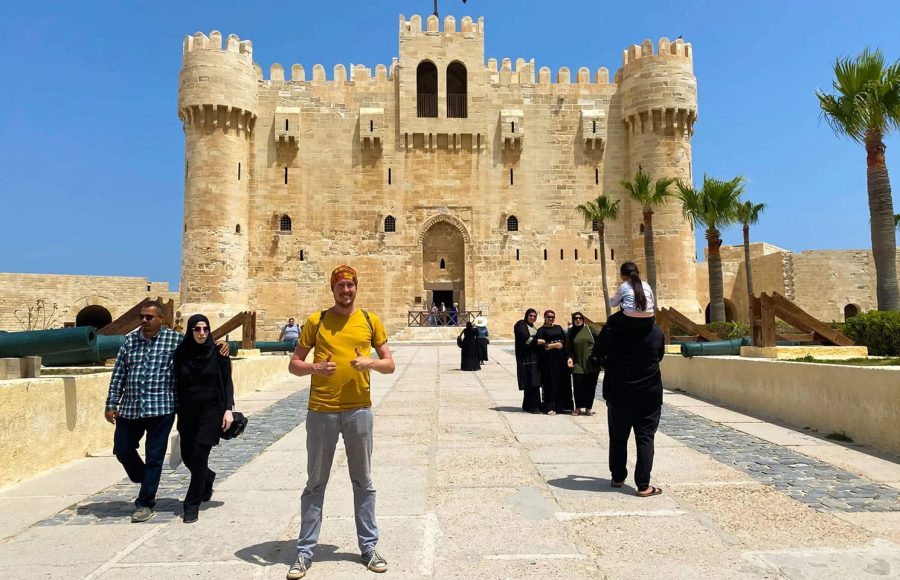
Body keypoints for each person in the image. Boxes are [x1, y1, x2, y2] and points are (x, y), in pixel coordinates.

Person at [287, 265, 395, 579]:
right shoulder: (316, 321)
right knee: (315, 482)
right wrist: (315, 369)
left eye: (350, 285)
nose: (346, 291)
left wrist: (370, 363)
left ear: (356, 287)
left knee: (363, 481)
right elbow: (295, 364)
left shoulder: (369, 321)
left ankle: (369, 547)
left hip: (359, 410)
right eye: (340, 286)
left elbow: (389, 364)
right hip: (321, 410)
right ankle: (305, 552)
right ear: (332, 289)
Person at [105, 301, 227, 523]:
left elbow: (197, 344)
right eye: (142, 317)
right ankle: (145, 478)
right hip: (131, 408)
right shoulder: (129, 341)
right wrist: (111, 403)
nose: (144, 321)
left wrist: (218, 344)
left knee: (155, 457)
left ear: (161, 319)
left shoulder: (174, 340)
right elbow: (119, 373)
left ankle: (145, 502)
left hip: (161, 408)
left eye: (149, 317)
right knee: (122, 449)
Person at [593, 297, 666, 497]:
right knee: (645, 438)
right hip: (649, 394)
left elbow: (597, 353)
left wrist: (611, 364)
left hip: (618, 393)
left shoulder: (611, 331)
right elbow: (659, 355)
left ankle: (617, 477)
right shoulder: (656, 332)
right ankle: (643, 485)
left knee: (618, 437)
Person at [173, 314, 235, 523]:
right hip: (187, 412)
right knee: (188, 457)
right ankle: (207, 478)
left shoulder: (219, 352)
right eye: (197, 329)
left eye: (205, 329)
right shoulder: (181, 353)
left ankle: (191, 504)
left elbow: (227, 383)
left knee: (199, 456)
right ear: (190, 331)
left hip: (212, 411)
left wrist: (228, 409)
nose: (201, 333)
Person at [535, 310, 573, 415]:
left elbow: (565, 343)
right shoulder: (541, 330)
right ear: (545, 317)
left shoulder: (558, 328)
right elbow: (539, 346)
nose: (551, 319)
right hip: (548, 361)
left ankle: (561, 407)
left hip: (560, 360)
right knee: (549, 384)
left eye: (552, 317)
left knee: (562, 382)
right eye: (549, 317)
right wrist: (554, 345)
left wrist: (569, 357)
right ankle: (549, 407)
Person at [566, 312, 600, 416]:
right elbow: (569, 347)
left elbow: (601, 340)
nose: (578, 320)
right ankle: (578, 408)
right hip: (577, 363)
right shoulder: (571, 332)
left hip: (591, 363)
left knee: (591, 386)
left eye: (580, 318)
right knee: (578, 385)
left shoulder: (590, 329)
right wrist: (569, 358)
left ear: (583, 319)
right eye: (575, 318)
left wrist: (598, 354)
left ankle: (588, 408)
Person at [513, 309, 543, 413]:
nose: (532, 318)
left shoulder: (532, 326)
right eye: (531, 315)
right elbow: (526, 339)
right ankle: (533, 406)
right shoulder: (521, 324)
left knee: (533, 381)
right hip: (526, 358)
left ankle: (529, 404)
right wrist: (539, 341)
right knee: (531, 381)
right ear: (526, 315)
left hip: (534, 357)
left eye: (534, 316)